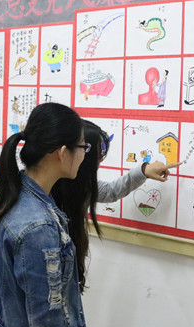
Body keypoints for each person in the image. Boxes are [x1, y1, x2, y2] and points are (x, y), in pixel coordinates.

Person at [0, 102, 90, 327]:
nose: (84, 155)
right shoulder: (38, 226)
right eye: (82, 147)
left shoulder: (18, 193)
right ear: (62, 153)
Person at [51, 120, 179, 293]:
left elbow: (111, 191)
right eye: (96, 157)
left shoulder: (81, 186)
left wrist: (143, 171)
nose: (99, 163)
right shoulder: (44, 203)